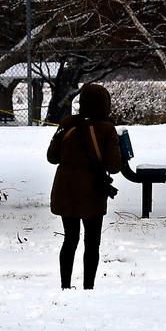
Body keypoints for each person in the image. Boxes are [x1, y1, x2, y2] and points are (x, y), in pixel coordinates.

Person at [47, 83, 122, 290]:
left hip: (66, 188)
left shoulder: (68, 123)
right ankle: (88, 286)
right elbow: (114, 166)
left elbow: (51, 157)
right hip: (93, 191)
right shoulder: (107, 129)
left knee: (69, 240)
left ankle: (65, 285)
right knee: (92, 242)